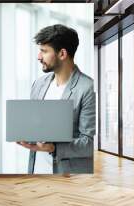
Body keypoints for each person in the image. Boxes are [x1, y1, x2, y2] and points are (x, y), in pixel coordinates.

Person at [18, 24, 96, 174]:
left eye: (44, 51)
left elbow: (89, 143)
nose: (39, 57)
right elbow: (35, 125)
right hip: (36, 172)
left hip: (67, 176)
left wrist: (53, 147)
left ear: (62, 54)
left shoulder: (87, 88)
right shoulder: (39, 84)